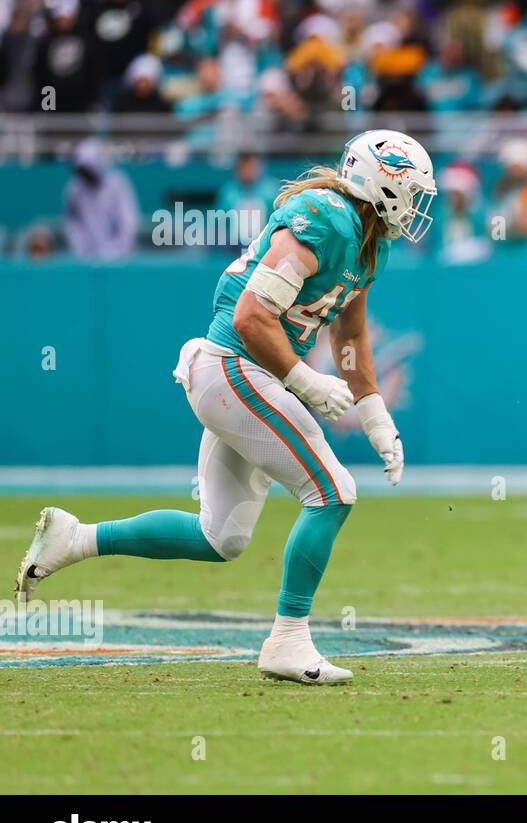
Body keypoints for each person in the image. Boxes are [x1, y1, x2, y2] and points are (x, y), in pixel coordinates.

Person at [17, 130, 438, 686]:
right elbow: (249, 317)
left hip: (242, 375)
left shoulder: (365, 239)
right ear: (379, 181)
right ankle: (288, 641)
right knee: (333, 492)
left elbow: (350, 327)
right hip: (235, 368)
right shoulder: (328, 217)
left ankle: (75, 539)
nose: (414, 206)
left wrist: (373, 409)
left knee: (222, 538)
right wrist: (305, 380)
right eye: (410, 190)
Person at [62, 139, 140, 261]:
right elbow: (72, 224)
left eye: (88, 170)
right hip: (85, 262)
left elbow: (128, 224)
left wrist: (115, 253)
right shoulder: (74, 188)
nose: (85, 175)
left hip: (118, 261)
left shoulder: (118, 184)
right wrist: (81, 251)